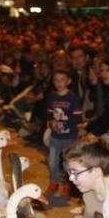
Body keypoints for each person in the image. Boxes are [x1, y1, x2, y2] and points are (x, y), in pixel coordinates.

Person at [45, 68, 83, 196]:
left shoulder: (73, 98)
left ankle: (67, 183)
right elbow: (50, 114)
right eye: (56, 80)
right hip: (55, 136)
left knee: (67, 162)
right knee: (52, 160)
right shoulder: (52, 96)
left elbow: (77, 117)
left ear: (69, 81)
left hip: (69, 137)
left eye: (62, 80)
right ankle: (54, 181)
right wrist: (51, 122)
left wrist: (65, 124)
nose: (59, 82)